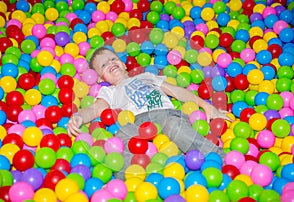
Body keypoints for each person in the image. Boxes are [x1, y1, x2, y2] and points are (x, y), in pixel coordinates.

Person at [68, 47, 232, 180]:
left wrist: (206, 105)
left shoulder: (146, 76)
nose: (110, 63)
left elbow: (176, 91)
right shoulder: (108, 91)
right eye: (103, 66)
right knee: (119, 147)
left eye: (113, 59)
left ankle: (220, 159)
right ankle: (129, 184)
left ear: (124, 64)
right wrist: (78, 117)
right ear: (99, 78)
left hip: (162, 113)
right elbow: (95, 109)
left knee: (176, 126)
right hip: (133, 123)